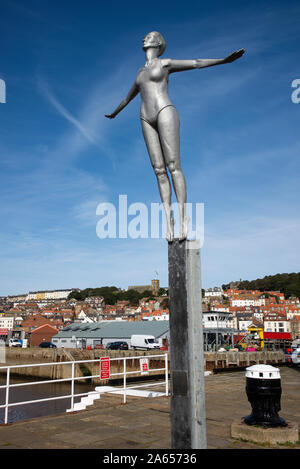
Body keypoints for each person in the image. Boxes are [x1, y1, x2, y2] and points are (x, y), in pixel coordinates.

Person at [105, 31, 245, 241]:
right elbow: (128, 97)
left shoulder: (165, 64)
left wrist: (224, 60)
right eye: (145, 36)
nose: (145, 38)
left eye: (150, 36)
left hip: (164, 110)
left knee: (173, 166)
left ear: (158, 43)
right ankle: (168, 221)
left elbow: (196, 63)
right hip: (145, 117)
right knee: (159, 170)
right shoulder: (140, 72)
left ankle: (183, 218)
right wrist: (115, 113)